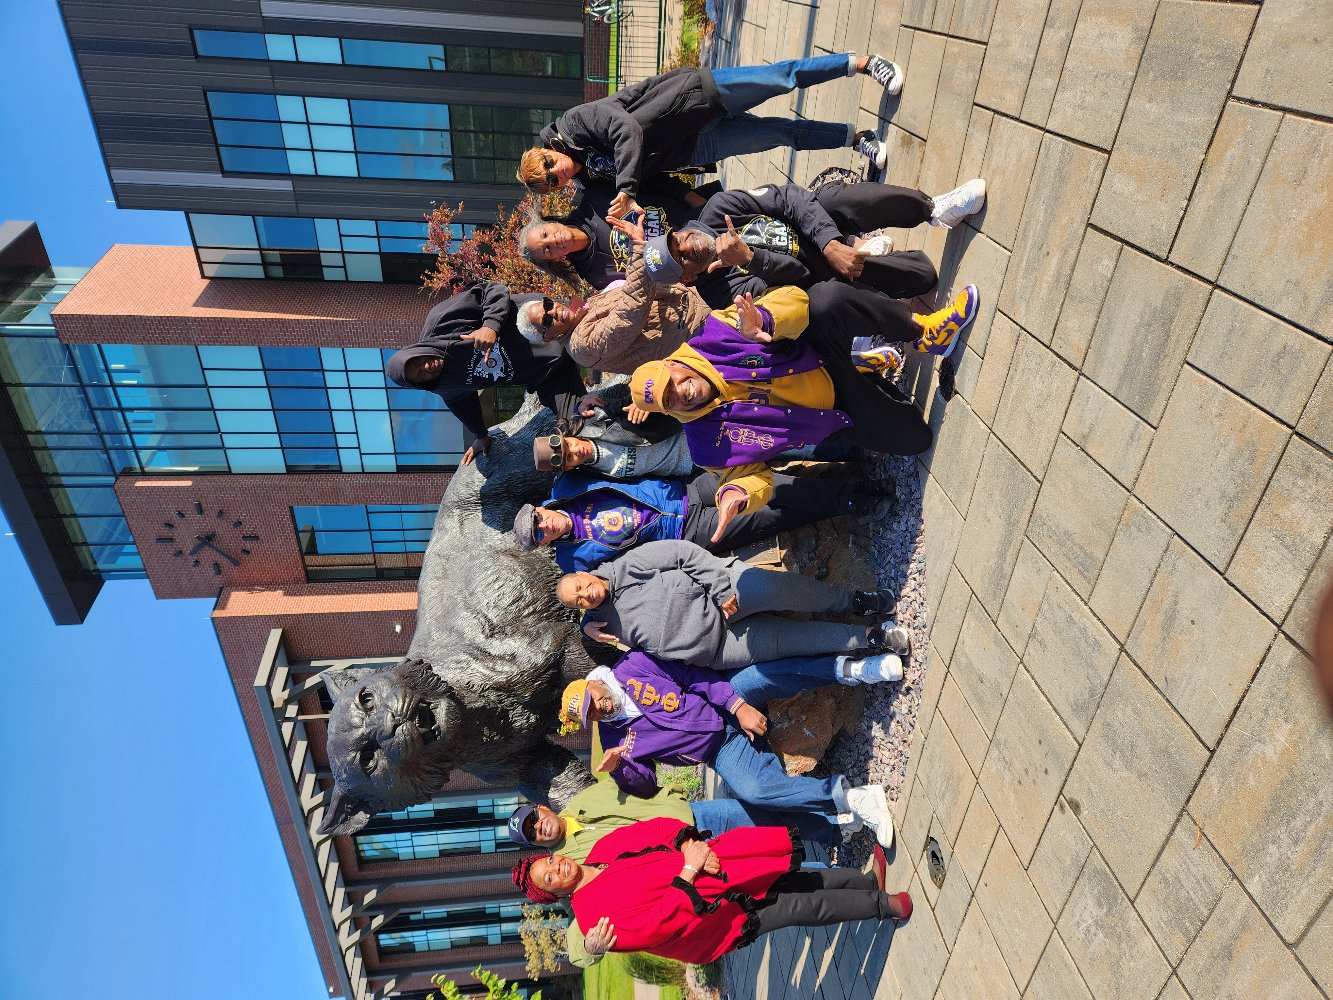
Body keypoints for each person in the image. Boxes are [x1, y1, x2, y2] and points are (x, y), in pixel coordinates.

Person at [628, 286, 977, 528]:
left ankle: (924, 332)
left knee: (828, 299)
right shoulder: (705, 446)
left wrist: (765, 320)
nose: (681, 392)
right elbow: (752, 478)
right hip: (834, 412)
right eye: (669, 400)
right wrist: (738, 493)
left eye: (672, 382)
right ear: (669, 411)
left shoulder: (716, 335)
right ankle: (864, 367)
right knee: (915, 439)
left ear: (672, 364)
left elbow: (796, 299)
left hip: (819, 353)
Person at [555, 652, 899, 848]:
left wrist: (736, 705)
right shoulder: (615, 739)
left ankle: (854, 668)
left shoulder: (631, 667)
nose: (600, 708)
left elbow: (692, 676)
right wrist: (620, 768)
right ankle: (852, 799)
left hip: (721, 699)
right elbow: (646, 785)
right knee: (756, 791)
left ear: (595, 683)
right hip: (719, 749)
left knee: (763, 675)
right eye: (592, 713)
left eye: (594, 700)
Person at [506, 782, 844, 967]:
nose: (540, 828)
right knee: (781, 883)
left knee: (763, 820)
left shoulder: (583, 802)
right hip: (693, 873)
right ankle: (839, 855)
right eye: (533, 833)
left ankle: (835, 827)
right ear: (536, 844)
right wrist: (591, 949)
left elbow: (632, 788)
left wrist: (665, 793)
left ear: (543, 807)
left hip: (691, 822)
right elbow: (581, 939)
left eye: (534, 818)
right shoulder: (572, 869)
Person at [512, 817, 911, 964]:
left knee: (798, 880)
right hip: (714, 921)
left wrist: (687, 843)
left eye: (549, 863)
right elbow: (657, 925)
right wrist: (689, 870)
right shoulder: (593, 921)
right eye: (550, 878)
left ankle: (867, 883)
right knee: (801, 907)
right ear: (555, 893)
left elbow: (652, 831)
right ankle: (885, 906)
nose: (557, 868)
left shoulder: (600, 852)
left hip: (721, 868)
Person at [518, 54, 907, 203]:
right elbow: (649, 182)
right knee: (780, 135)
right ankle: (857, 139)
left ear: (548, 151)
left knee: (781, 78)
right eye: (552, 181)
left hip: (693, 99)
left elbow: (625, 129)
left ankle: (862, 63)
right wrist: (686, 197)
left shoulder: (573, 125)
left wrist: (625, 188)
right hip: (696, 148)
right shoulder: (589, 181)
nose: (557, 172)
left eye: (549, 165)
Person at [644, 218, 979, 359]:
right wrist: (748, 258)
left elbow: (789, 198)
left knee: (921, 271)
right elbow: (792, 286)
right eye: (681, 258)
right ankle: (923, 331)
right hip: (807, 308)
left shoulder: (718, 213)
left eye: (678, 240)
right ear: (686, 278)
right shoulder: (721, 297)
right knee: (825, 299)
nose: (687, 247)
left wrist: (832, 241)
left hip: (816, 262)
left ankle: (933, 210)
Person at [554, 539, 909, 669]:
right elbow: (595, 650)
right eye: (579, 600)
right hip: (718, 648)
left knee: (776, 587)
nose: (587, 594)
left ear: (585, 573)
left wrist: (721, 590)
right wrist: (586, 630)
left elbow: (683, 553)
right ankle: (869, 637)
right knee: (789, 642)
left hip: (723, 591)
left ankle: (855, 601)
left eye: (581, 586)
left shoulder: (627, 566)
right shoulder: (597, 625)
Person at [514, 467, 891, 572]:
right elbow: (599, 590)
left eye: (538, 520)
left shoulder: (568, 483)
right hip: (688, 533)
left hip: (687, 488)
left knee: (765, 486)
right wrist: (586, 624)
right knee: (772, 514)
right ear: (543, 545)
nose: (544, 527)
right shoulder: (572, 561)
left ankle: (853, 493)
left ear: (541, 507)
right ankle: (855, 501)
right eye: (539, 535)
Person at [384, 281, 586, 464]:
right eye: (421, 374)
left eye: (420, 360)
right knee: (582, 422)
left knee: (593, 339)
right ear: (422, 384)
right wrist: (480, 435)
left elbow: (490, 289)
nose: (427, 367)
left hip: (550, 324)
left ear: (417, 350)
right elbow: (464, 407)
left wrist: (490, 325)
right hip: (549, 372)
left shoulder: (441, 322)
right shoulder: (445, 387)